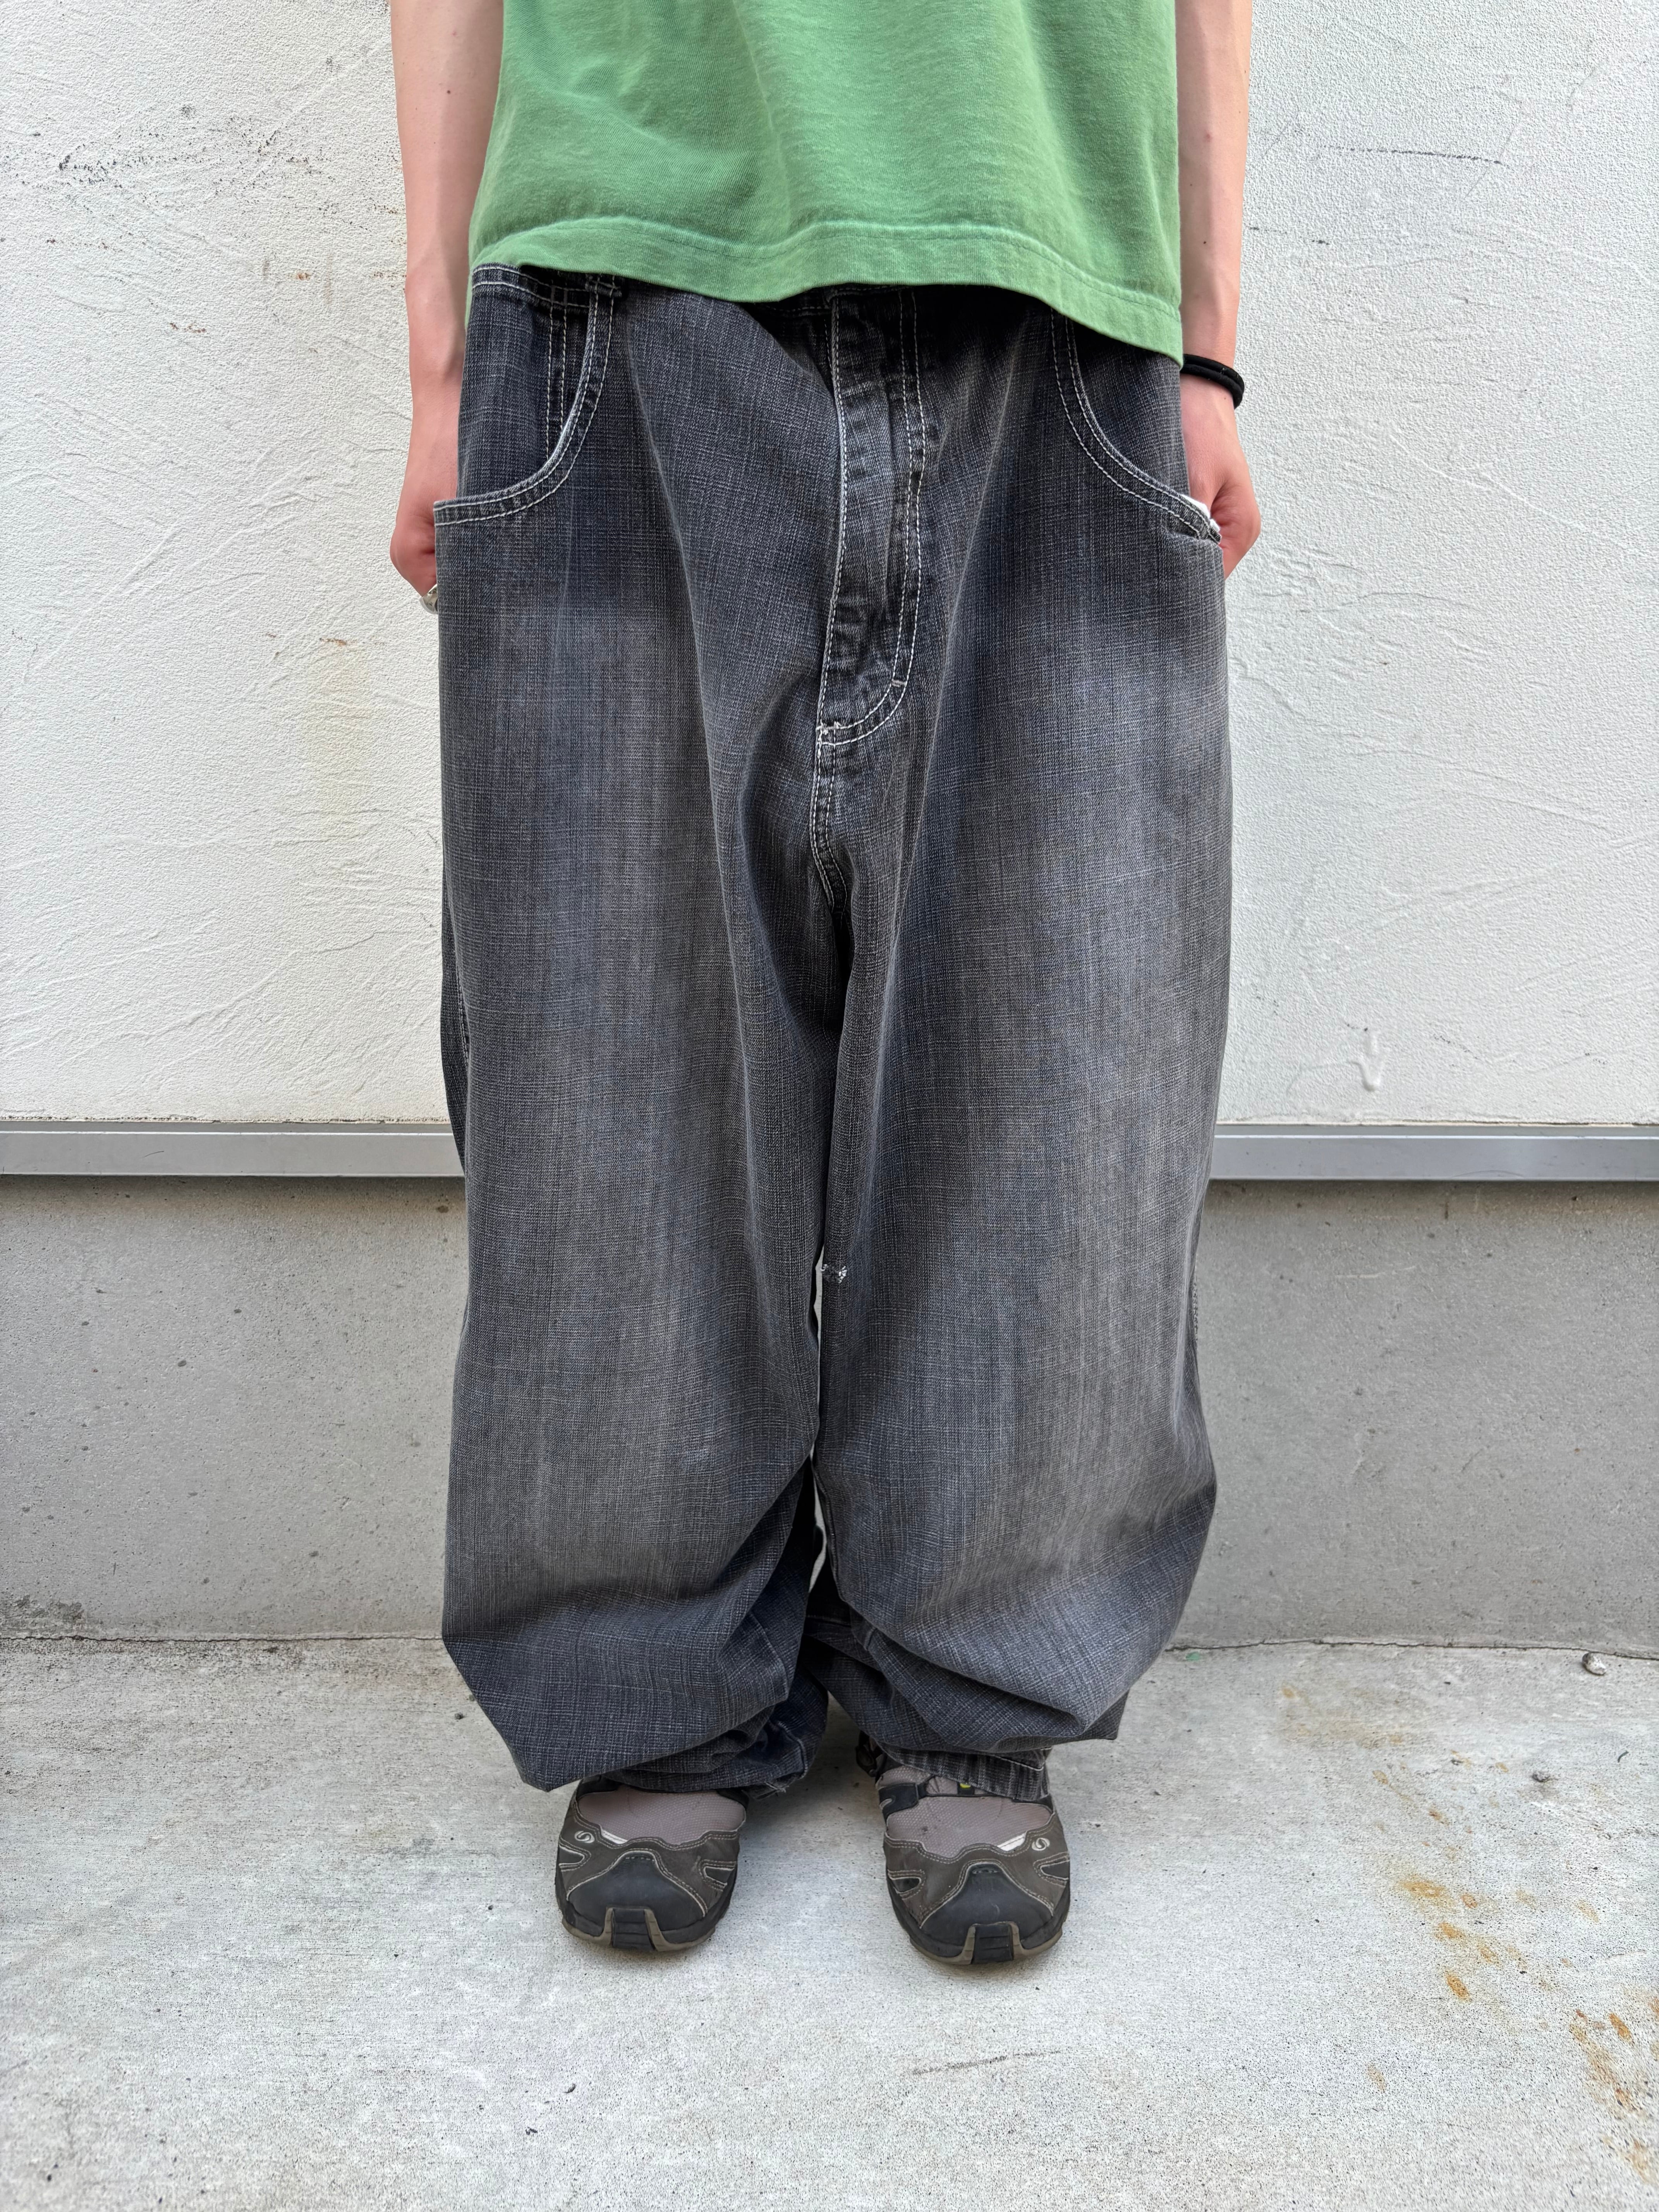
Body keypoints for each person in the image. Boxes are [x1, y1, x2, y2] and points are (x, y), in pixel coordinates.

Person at [390, 0, 1258, 1967]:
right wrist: (440, 364)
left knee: (1054, 1049)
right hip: (618, 280)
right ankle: (651, 1677)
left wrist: (1207, 344)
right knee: (617, 1051)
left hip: (1058, 293)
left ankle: (979, 1675)